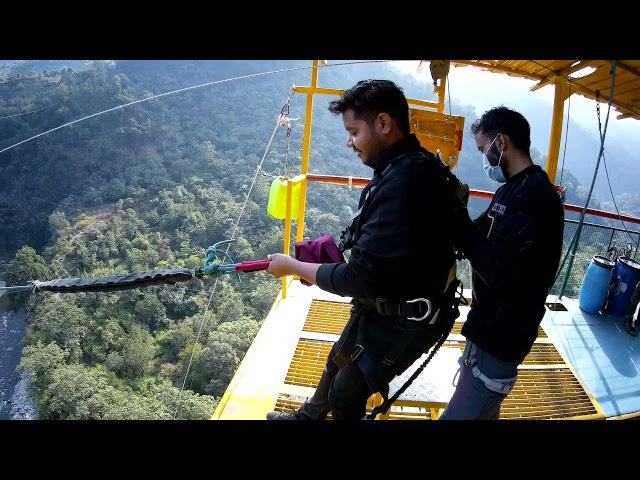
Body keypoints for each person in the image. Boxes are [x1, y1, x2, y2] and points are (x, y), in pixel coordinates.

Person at [264, 79, 462, 420]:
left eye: (354, 131)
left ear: (383, 124)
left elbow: (357, 280)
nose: (349, 142)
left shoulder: (404, 183)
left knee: (346, 394)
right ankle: (308, 418)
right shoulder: (409, 167)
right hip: (389, 302)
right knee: (338, 358)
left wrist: (293, 266)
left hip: (409, 318)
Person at [439, 106, 565, 420]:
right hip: (488, 330)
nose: (484, 158)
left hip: (502, 337)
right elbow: (476, 235)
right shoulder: (511, 191)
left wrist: (457, 215)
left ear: (501, 143)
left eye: (484, 149)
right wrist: (456, 209)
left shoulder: (536, 196)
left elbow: (496, 269)